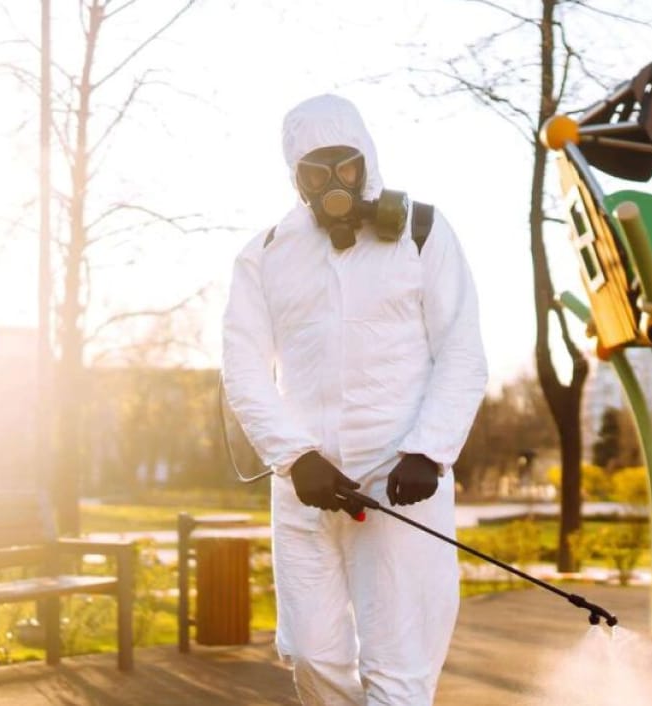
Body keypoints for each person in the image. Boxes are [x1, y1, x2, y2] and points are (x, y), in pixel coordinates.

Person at [222, 93, 487, 705]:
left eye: (344, 164)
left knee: (400, 663)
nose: (332, 181)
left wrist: (429, 450)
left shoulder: (421, 231)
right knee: (314, 655)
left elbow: (462, 352)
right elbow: (244, 369)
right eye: (314, 171)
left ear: (366, 160)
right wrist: (294, 457)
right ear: (296, 178)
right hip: (307, 487)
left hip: (400, 481)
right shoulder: (265, 255)